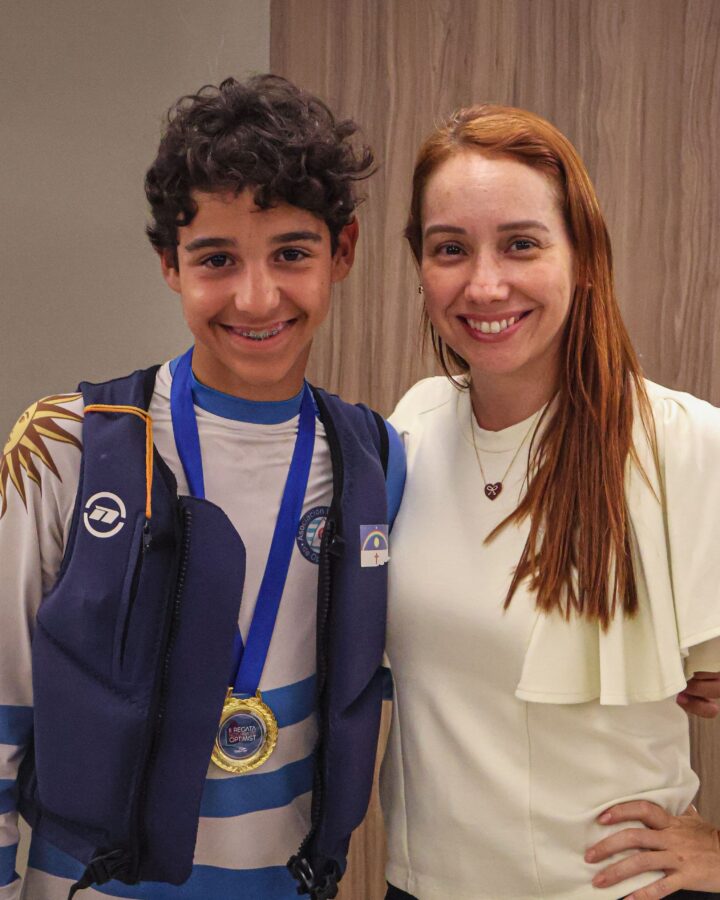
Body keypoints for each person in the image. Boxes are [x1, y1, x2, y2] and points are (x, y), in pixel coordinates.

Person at [0, 74, 404, 900]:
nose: (257, 297)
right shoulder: (64, 445)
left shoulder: (375, 459)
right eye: (217, 259)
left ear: (344, 252)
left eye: (291, 253)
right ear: (169, 264)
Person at [382, 103, 720, 900]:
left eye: (521, 244)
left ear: (584, 255)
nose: (484, 283)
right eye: (451, 249)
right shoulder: (411, 429)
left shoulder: (681, 444)